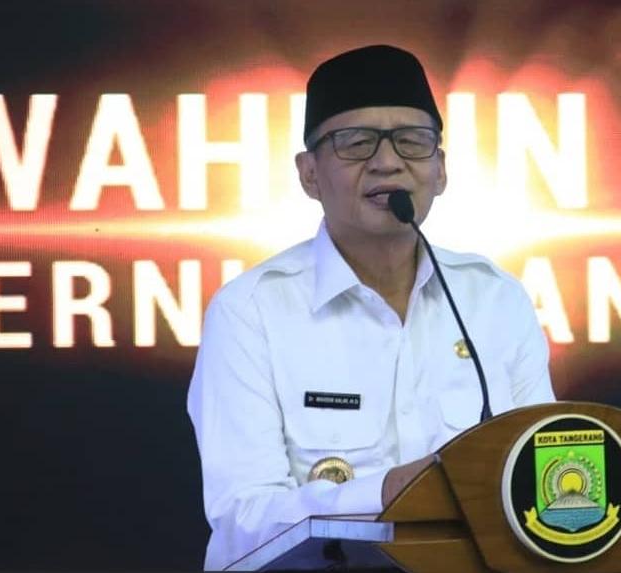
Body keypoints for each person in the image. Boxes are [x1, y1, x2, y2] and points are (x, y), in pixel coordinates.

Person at [187, 44, 555, 570]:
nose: (387, 162)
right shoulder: (251, 311)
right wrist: (389, 492)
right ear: (309, 174)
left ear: (441, 170)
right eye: (357, 143)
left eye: (412, 141)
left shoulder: (494, 298)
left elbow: (538, 482)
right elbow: (243, 521)